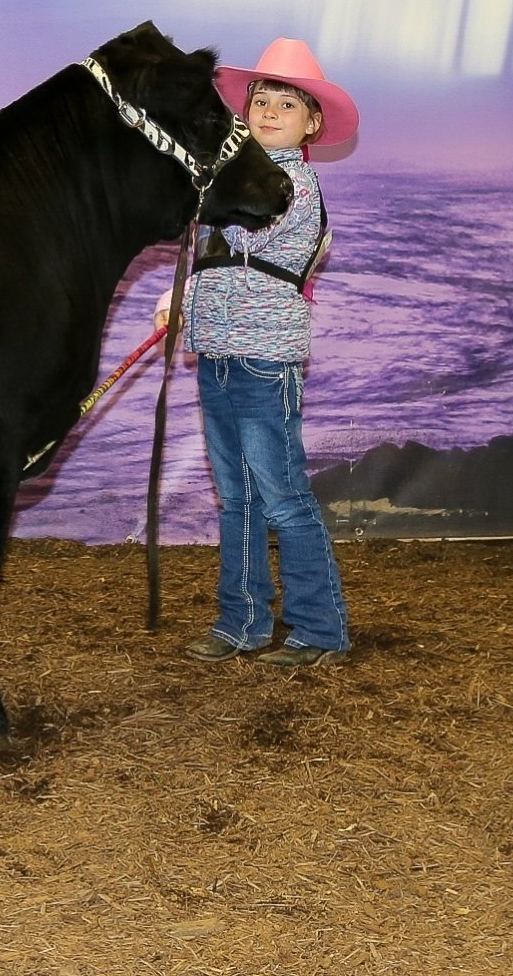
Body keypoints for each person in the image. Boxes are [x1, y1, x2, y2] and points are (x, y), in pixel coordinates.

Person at [158, 37, 359, 668]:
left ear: (312, 124)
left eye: (286, 105)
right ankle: (240, 623)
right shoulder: (239, 179)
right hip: (216, 348)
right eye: (260, 101)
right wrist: (181, 296)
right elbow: (218, 252)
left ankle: (320, 632)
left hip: (264, 356)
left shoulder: (289, 182)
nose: (269, 113)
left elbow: (246, 216)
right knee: (237, 495)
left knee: (282, 495)